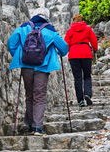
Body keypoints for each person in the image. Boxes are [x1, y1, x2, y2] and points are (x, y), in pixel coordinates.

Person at [7, 8, 68, 136]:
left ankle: (29, 125)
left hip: (26, 66)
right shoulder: (50, 31)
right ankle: (37, 128)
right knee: (39, 97)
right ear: (47, 17)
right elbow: (64, 48)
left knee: (29, 95)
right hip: (43, 67)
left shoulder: (23, 27)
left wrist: (21, 56)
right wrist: (58, 53)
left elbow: (11, 43)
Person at [64, 14, 98, 107]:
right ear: (82, 20)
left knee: (77, 78)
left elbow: (65, 43)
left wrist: (63, 52)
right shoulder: (87, 29)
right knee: (87, 76)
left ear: (73, 20)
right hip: (86, 53)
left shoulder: (70, 31)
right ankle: (87, 94)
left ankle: (80, 100)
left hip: (74, 55)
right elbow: (94, 40)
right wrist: (95, 49)